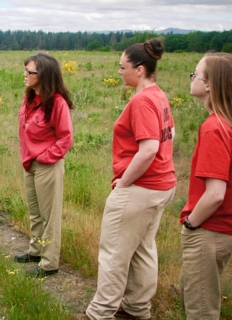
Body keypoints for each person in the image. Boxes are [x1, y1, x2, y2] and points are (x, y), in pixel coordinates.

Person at [79, 39, 176, 320]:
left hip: (140, 188)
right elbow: (170, 136)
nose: (119, 72)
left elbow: (149, 149)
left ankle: (99, 313)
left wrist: (123, 182)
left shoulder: (143, 100)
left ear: (141, 69)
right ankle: (136, 309)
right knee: (143, 249)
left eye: (123, 67)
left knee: (114, 252)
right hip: (161, 186)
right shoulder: (159, 95)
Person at [179, 52, 232, 320]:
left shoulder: (214, 128)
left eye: (195, 74)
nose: (191, 78)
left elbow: (215, 194)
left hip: (209, 230)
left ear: (209, 84)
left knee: (200, 309)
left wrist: (190, 224)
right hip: (223, 229)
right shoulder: (227, 123)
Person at [14, 52, 74, 278]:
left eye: (30, 72)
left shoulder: (57, 102)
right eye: (25, 70)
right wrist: (30, 158)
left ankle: (49, 263)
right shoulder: (29, 98)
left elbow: (66, 138)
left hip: (46, 165)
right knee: (35, 213)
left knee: (50, 216)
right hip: (30, 164)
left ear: (44, 75)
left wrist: (45, 157)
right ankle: (36, 251)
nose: (25, 74)